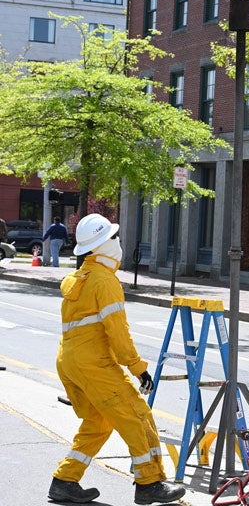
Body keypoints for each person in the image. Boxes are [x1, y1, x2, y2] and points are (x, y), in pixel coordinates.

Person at [48, 213, 185, 505]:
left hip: (70, 361)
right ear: (102, 245)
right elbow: (117, 332)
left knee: (97, 422)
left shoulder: (78, 277)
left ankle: (64, 480)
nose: (118, 241)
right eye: (113, 237)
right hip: (94, 364)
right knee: (137, 414)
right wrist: (139, 369)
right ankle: (149, 483)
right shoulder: (104, 281)